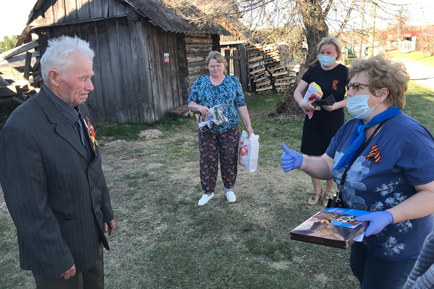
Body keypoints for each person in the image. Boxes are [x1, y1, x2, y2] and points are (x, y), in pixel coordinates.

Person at [281, 54, 434, 289]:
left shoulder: (409, 135)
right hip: (360, 233)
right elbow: (328, 165)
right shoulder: (353, 126)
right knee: (362, 275)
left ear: (382, 93)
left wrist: (389, 215)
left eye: (355, 86)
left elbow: (431, 193)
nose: (348, 92)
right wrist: (301, 161)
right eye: (348, 86)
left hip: (398, 245)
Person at [0, 36, 115, 289]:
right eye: (83, 78)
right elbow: (28, 208)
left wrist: (105, 209)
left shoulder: (81, 109)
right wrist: (56, 255)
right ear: (54, 77)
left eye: (90, 77)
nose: (91, 86)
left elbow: (93, 163)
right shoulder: (20, 129)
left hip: (90, 236)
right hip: (57, 253)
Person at [188, 51, 253, 206]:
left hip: (229, 129)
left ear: (224, 65)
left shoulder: (233, 82)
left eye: (218, 65)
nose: (215, 68)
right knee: (207, 161)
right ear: (207, 66)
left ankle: (229, 189)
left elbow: (241, 104)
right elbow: (191, 103)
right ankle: (208, 192)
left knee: (229, 159)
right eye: (212, 66)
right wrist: (200, 107)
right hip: (207, 131)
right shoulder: (200, 82)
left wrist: (248, 126)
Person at [293, 36, 349, 206]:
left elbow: (354, 97)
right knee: (313, 155)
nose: (324, 55)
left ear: (337, 54)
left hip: (334, 119)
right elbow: (297, 92)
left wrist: (338, 105)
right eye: (322, 52)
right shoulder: (312, 71)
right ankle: (317, 191)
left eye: (328, 52)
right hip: (313, 119)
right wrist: (303, 103)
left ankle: (329, 192)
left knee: (331, 156)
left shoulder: (344, 72)